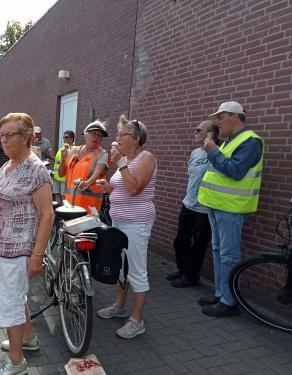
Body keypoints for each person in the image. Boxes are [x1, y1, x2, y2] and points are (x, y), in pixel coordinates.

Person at [0, 113, 54, 375]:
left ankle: (16, 363)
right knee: (16, 298)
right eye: (1, 136)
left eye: (11, 135)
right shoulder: (6, 165)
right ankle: (28, 339)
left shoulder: (36, 170)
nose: (4, 141)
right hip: (1, 247)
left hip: (19, 249)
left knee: (9, 302)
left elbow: (47, 215)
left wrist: (37, 256)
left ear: (27, 137)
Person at [198, 101, 264, 317]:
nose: (218, 122)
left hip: (232, 209)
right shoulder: (229, 141)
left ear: (235, 116)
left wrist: (213, 151)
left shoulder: (250, 142)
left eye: (221, 116)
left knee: (228, 255)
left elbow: (235, 171)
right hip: (218, 206)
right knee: (218, 251)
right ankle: (220, 293)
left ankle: (229, 301)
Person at [95, 116, 157, 339]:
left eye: (123, 134)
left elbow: (134, 190)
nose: (118, 138)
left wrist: (120, 163)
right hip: (119, 222)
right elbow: (122, 190)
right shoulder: (127, 160)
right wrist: (108, 188)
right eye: (118, 134)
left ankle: (136, 320)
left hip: (137, 223)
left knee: (137, 272)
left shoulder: (146, 158)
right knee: (121, 267)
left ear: (137, 139)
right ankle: (119, 306)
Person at [167, 120, 220, 288]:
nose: (195, 132)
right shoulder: (196, 152)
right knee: (180, 240)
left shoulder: (218, 152)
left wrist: (212, 149)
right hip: (188, 204)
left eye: (199, 130)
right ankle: (182, 270)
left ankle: (191, 277)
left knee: (199, 244)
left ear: (211, 133)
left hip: (205, 208)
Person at [58, 120, 109, 213]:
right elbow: (61, 174)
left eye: (100, 135)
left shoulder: (102, 154)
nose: (97, 137)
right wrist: (63, 160)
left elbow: (98, 172)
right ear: (86, 135)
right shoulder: (72, 151)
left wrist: (88, 183)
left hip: (88, 208)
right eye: (94, 133)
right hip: (69, 205)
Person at [52, 130, 75, 204]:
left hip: (65, 178)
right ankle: (58, 211)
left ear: (72, 139)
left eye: (66, 137)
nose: (64, 139)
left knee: (65, 197)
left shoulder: (74, 150)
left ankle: (65, 213)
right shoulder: (61, 150)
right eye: (63, 137)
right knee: (57, 194)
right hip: (56, 177)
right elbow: (57, 163)